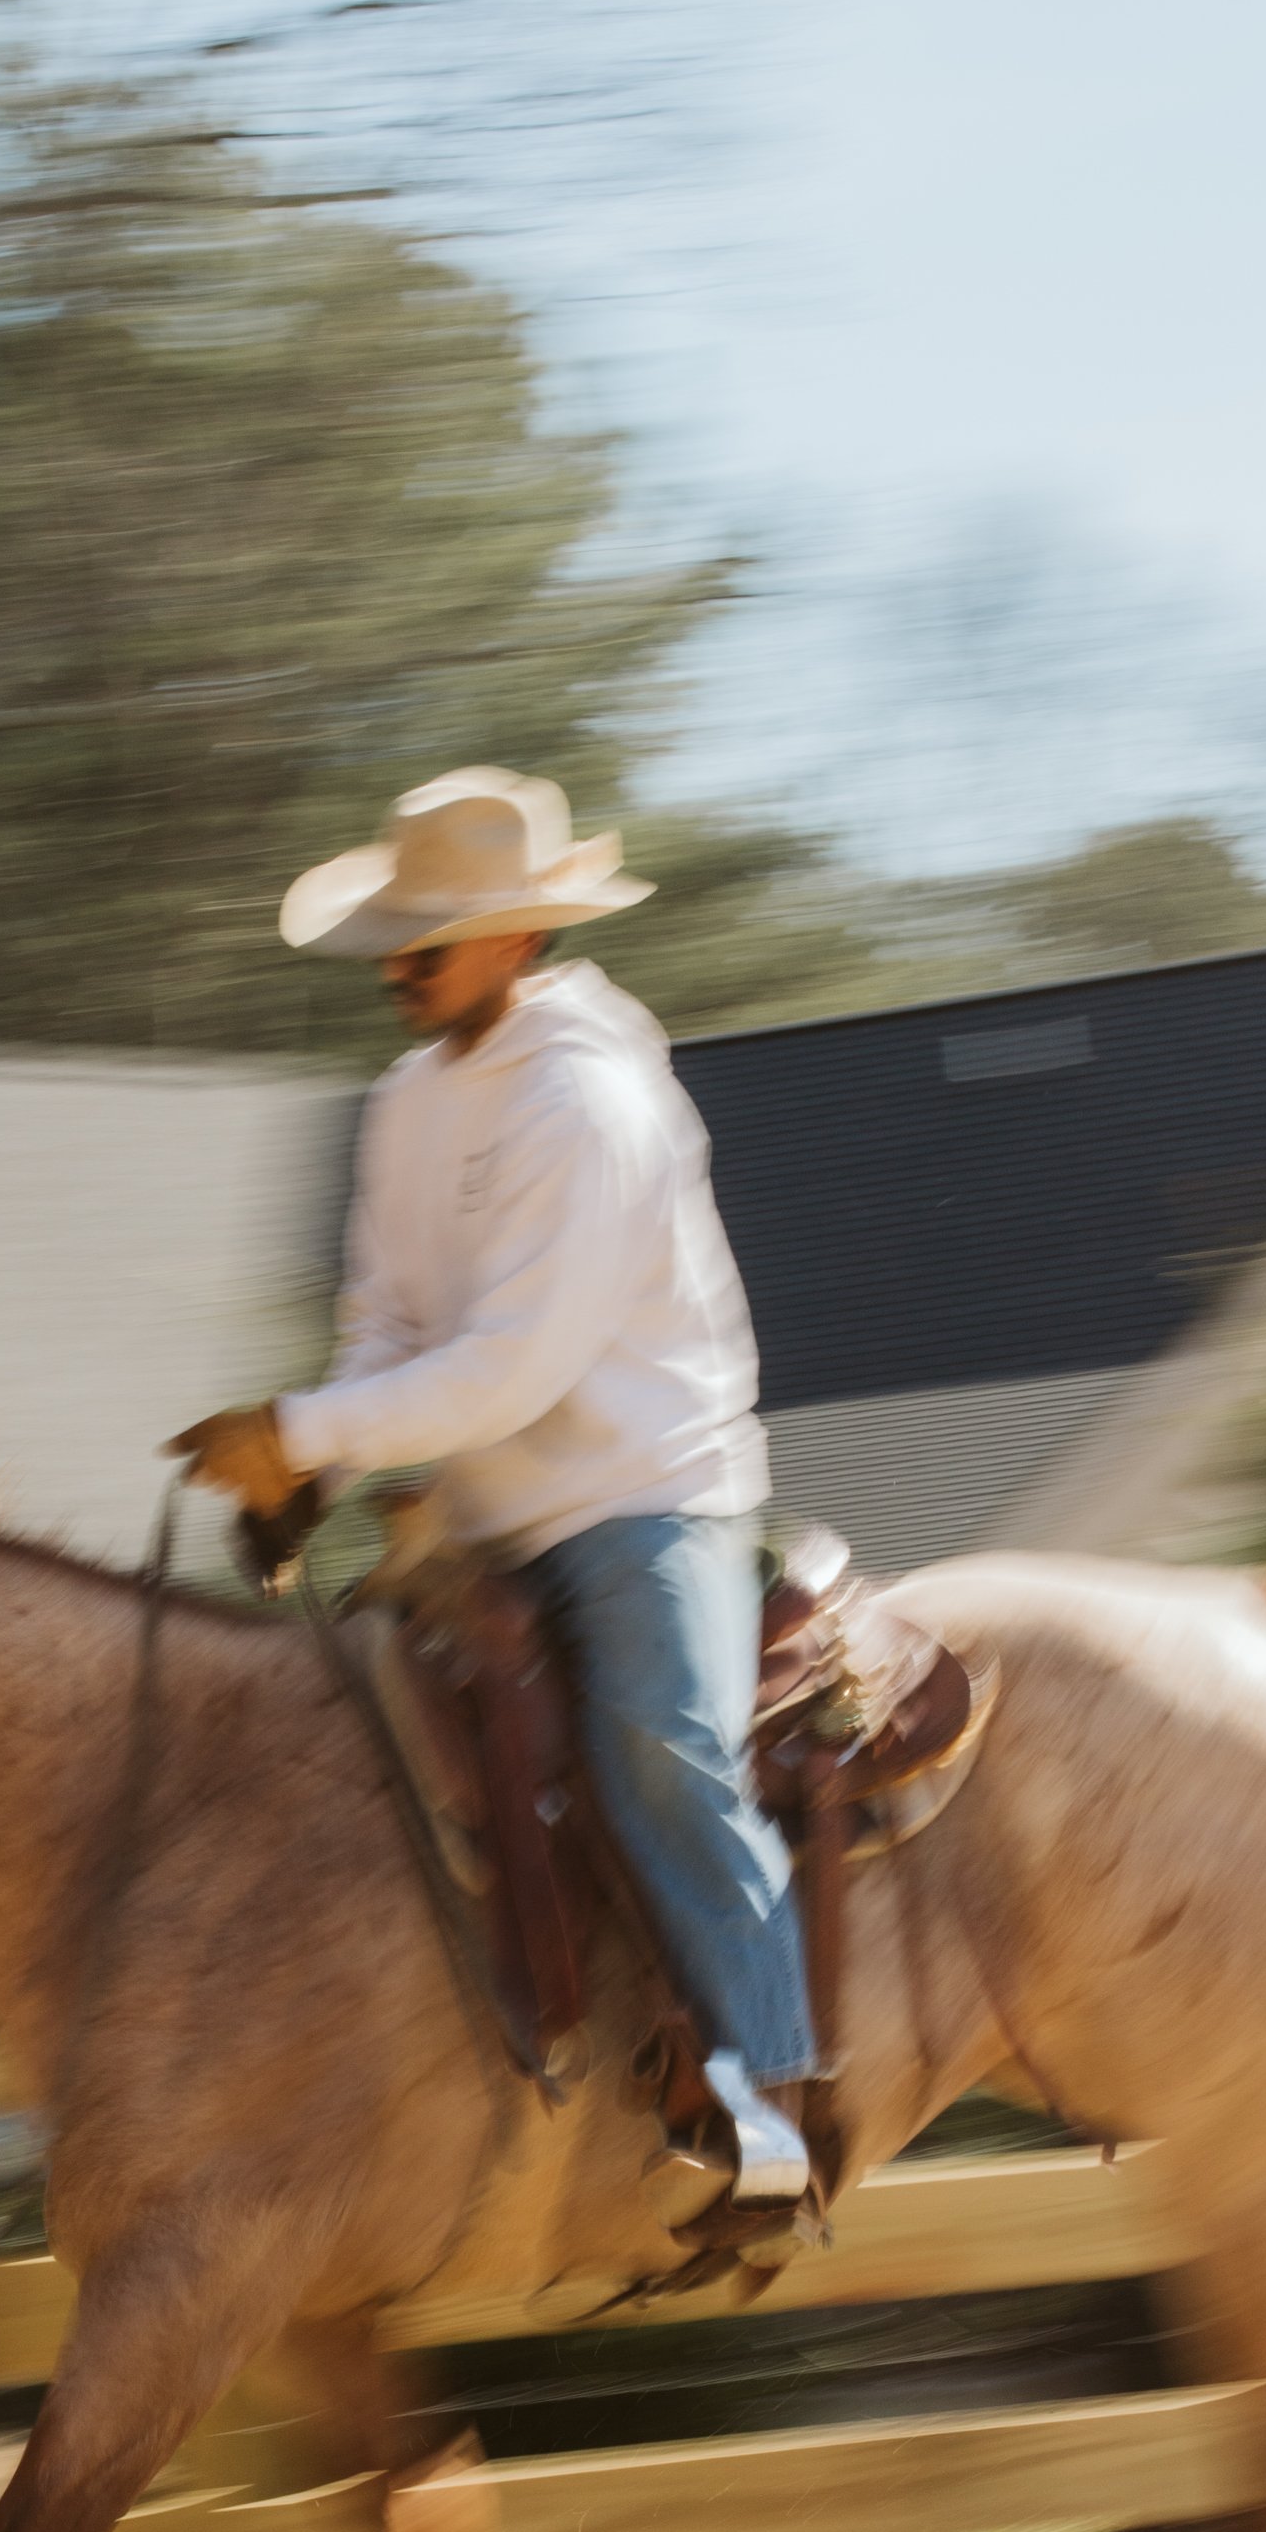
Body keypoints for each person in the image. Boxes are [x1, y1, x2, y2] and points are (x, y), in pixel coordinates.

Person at [169, 765, 822, 2205]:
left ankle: (773, 2102)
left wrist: (302, 1428)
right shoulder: (408, 1102)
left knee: (661, 1744)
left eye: (431, 937)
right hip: (478, 1504)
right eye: (395, 936)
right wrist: (313, 1467)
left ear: (522, 939)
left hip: (641, 1490)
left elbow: (517, 1366)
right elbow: (390, 1320)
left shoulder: (591, 1104)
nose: (397, 965)